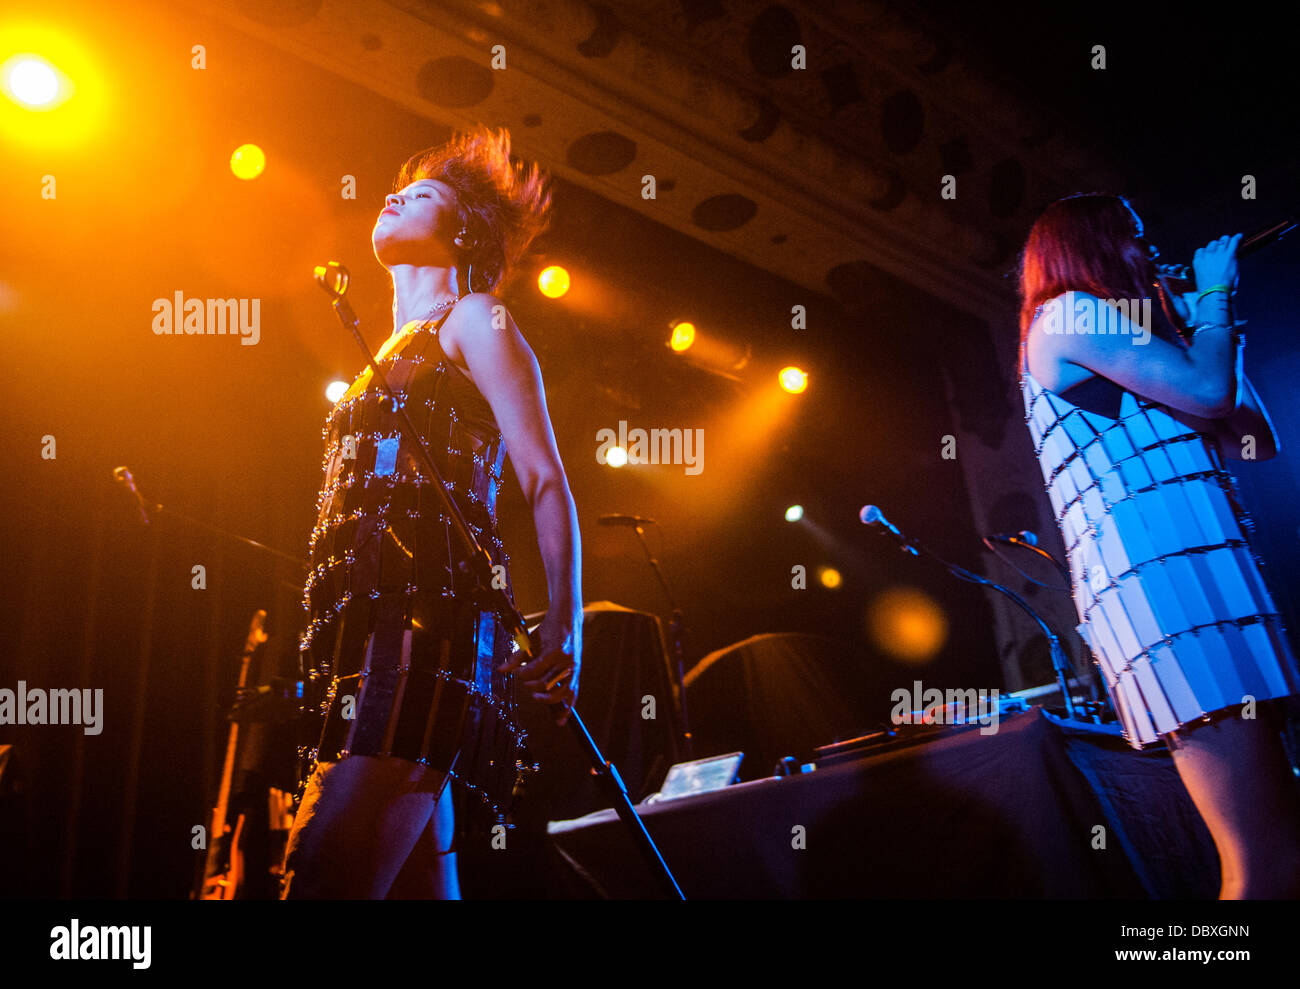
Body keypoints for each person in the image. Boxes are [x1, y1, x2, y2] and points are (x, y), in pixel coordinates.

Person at [280, 125, 583, 899]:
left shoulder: (477, 319)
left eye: (419, 196)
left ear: (460, 232)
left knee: (321, 871)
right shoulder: (383, 356)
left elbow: (543, 476)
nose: (390, 197)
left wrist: (565, 619)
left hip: (426, 631)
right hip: (372, 634)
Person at [1018, 193, 1300, 898]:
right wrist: (1209, 295)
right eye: (1135, 238)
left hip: (1208, 595)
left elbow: (1255, 439)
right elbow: (1208, 391)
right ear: (1095, 247)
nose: (1150, 251)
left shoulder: (1135, 344)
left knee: (1283, 845)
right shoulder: (1069, 315)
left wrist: (1203, 314)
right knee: (1263, 861)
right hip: (1172, 606)